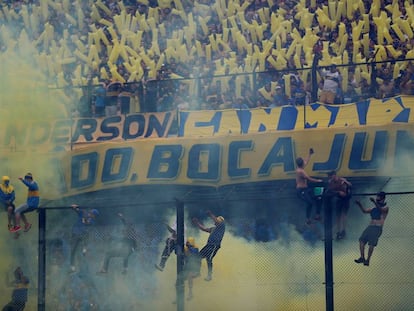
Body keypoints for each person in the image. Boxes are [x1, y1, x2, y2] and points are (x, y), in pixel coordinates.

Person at [354, 192, 389, 266]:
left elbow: (381, 210)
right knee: (361, 240)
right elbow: (364, 211)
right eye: (377, 199)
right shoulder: (373, 208)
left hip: (377, 227)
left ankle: (368, 260)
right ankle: (362, 257)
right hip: (370, 227)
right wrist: (359, 204)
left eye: (379, 199)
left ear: (383, 199)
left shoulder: (386, 208)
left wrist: (374, 202)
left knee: (371, 244)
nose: (377, 201)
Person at [192, 210, 226, 281]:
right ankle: (197, 272)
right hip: (208, 245)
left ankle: (209, 276)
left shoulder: (222, 226)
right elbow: (204, 229)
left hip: (214, 245)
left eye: (217, 220)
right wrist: (197, 223)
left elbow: (217, 220)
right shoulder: (213, 229)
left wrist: (210, 214)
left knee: (209, 258)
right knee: (198, 257)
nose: (216, 221)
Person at [295, 148, 323, 225]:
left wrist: (309, 154)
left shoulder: (301, 168)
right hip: (301, 191)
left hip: (306, 189)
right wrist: (318, 181)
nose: (304, 163)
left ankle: (317, 215)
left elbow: (306, 161)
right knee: (310, 203)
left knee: (319, 195)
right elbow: (308, 178)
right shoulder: (300, 171)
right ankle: (307, 219)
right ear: (300, 164)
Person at [69, 204, 99, 273]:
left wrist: (84, 216)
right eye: (91, 213)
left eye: (93, 215)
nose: (91, 215)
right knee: (73, 250)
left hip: (82, 234)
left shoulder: (92, 221)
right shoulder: (83, 213)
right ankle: (72, 267)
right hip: (75, 233)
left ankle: (84, 248)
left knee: (87, 234)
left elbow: (85, 222)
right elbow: (76, 210)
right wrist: (75, 207)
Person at [327, 171, 352, 240]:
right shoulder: (330, 182)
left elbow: (350, 185)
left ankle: (344, 230)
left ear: (334, 175)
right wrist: (338, 192)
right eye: (329, 177)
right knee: (338, 216)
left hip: (345, 199)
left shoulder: (342, 180)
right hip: (338, 199)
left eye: (331, 176)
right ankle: (338, 231)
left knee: (344, 215)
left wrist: (346, 182)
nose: (330, 178)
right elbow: (330, 191)